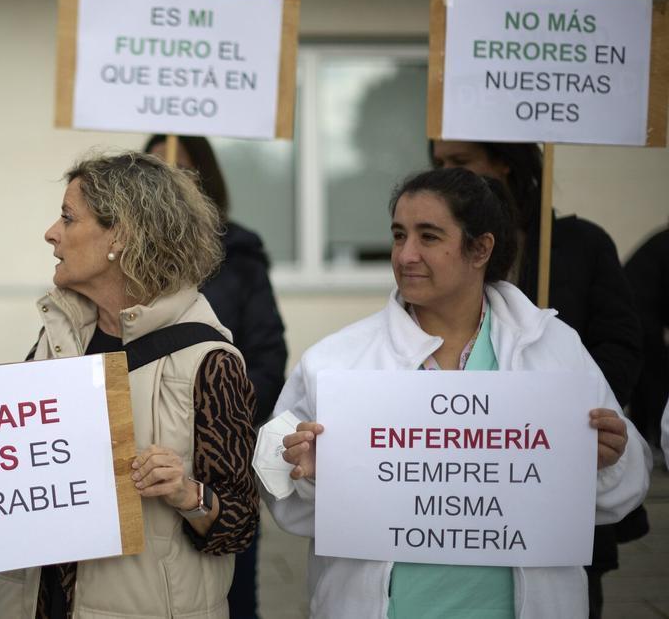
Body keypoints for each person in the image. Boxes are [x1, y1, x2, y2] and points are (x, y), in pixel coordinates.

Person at [265, 167, 650, 618]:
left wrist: (607, 460)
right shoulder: (337, 362)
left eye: (428, 237)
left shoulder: (553, 350)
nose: (406, 254)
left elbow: (625, 490)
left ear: (480, 249)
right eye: (398, 235)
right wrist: (308, 475)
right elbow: (279, 496)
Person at [0, 151, 258, 618]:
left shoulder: (211, 361)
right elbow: (16, 463)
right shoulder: (58, 337)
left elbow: (240, 526)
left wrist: (186, 492)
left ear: (121, 234)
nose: (51, 234)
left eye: (67, 218)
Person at [431, 141, 645, 615]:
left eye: (460, 162)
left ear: (505, 161)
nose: (448, 172)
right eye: (440, 163)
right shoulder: (432, 262)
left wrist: (558, 413)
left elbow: (621, 342)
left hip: (555, 485)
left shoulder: (579, 244)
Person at [145, 133, 286, 618]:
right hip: (145, 471)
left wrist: (219, 426)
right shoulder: (123, 258)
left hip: (220, 472)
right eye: (157, 167)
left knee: (229, 597)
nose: (172, 179)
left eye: (183, 168)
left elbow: (267, 358)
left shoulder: (239, 255)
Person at [625, 225, 669, 454]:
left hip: (632, 315)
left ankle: (645, 439)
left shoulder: (659, 241)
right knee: (655, 379)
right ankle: (658, 441)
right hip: (641, 317)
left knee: (642, 382)